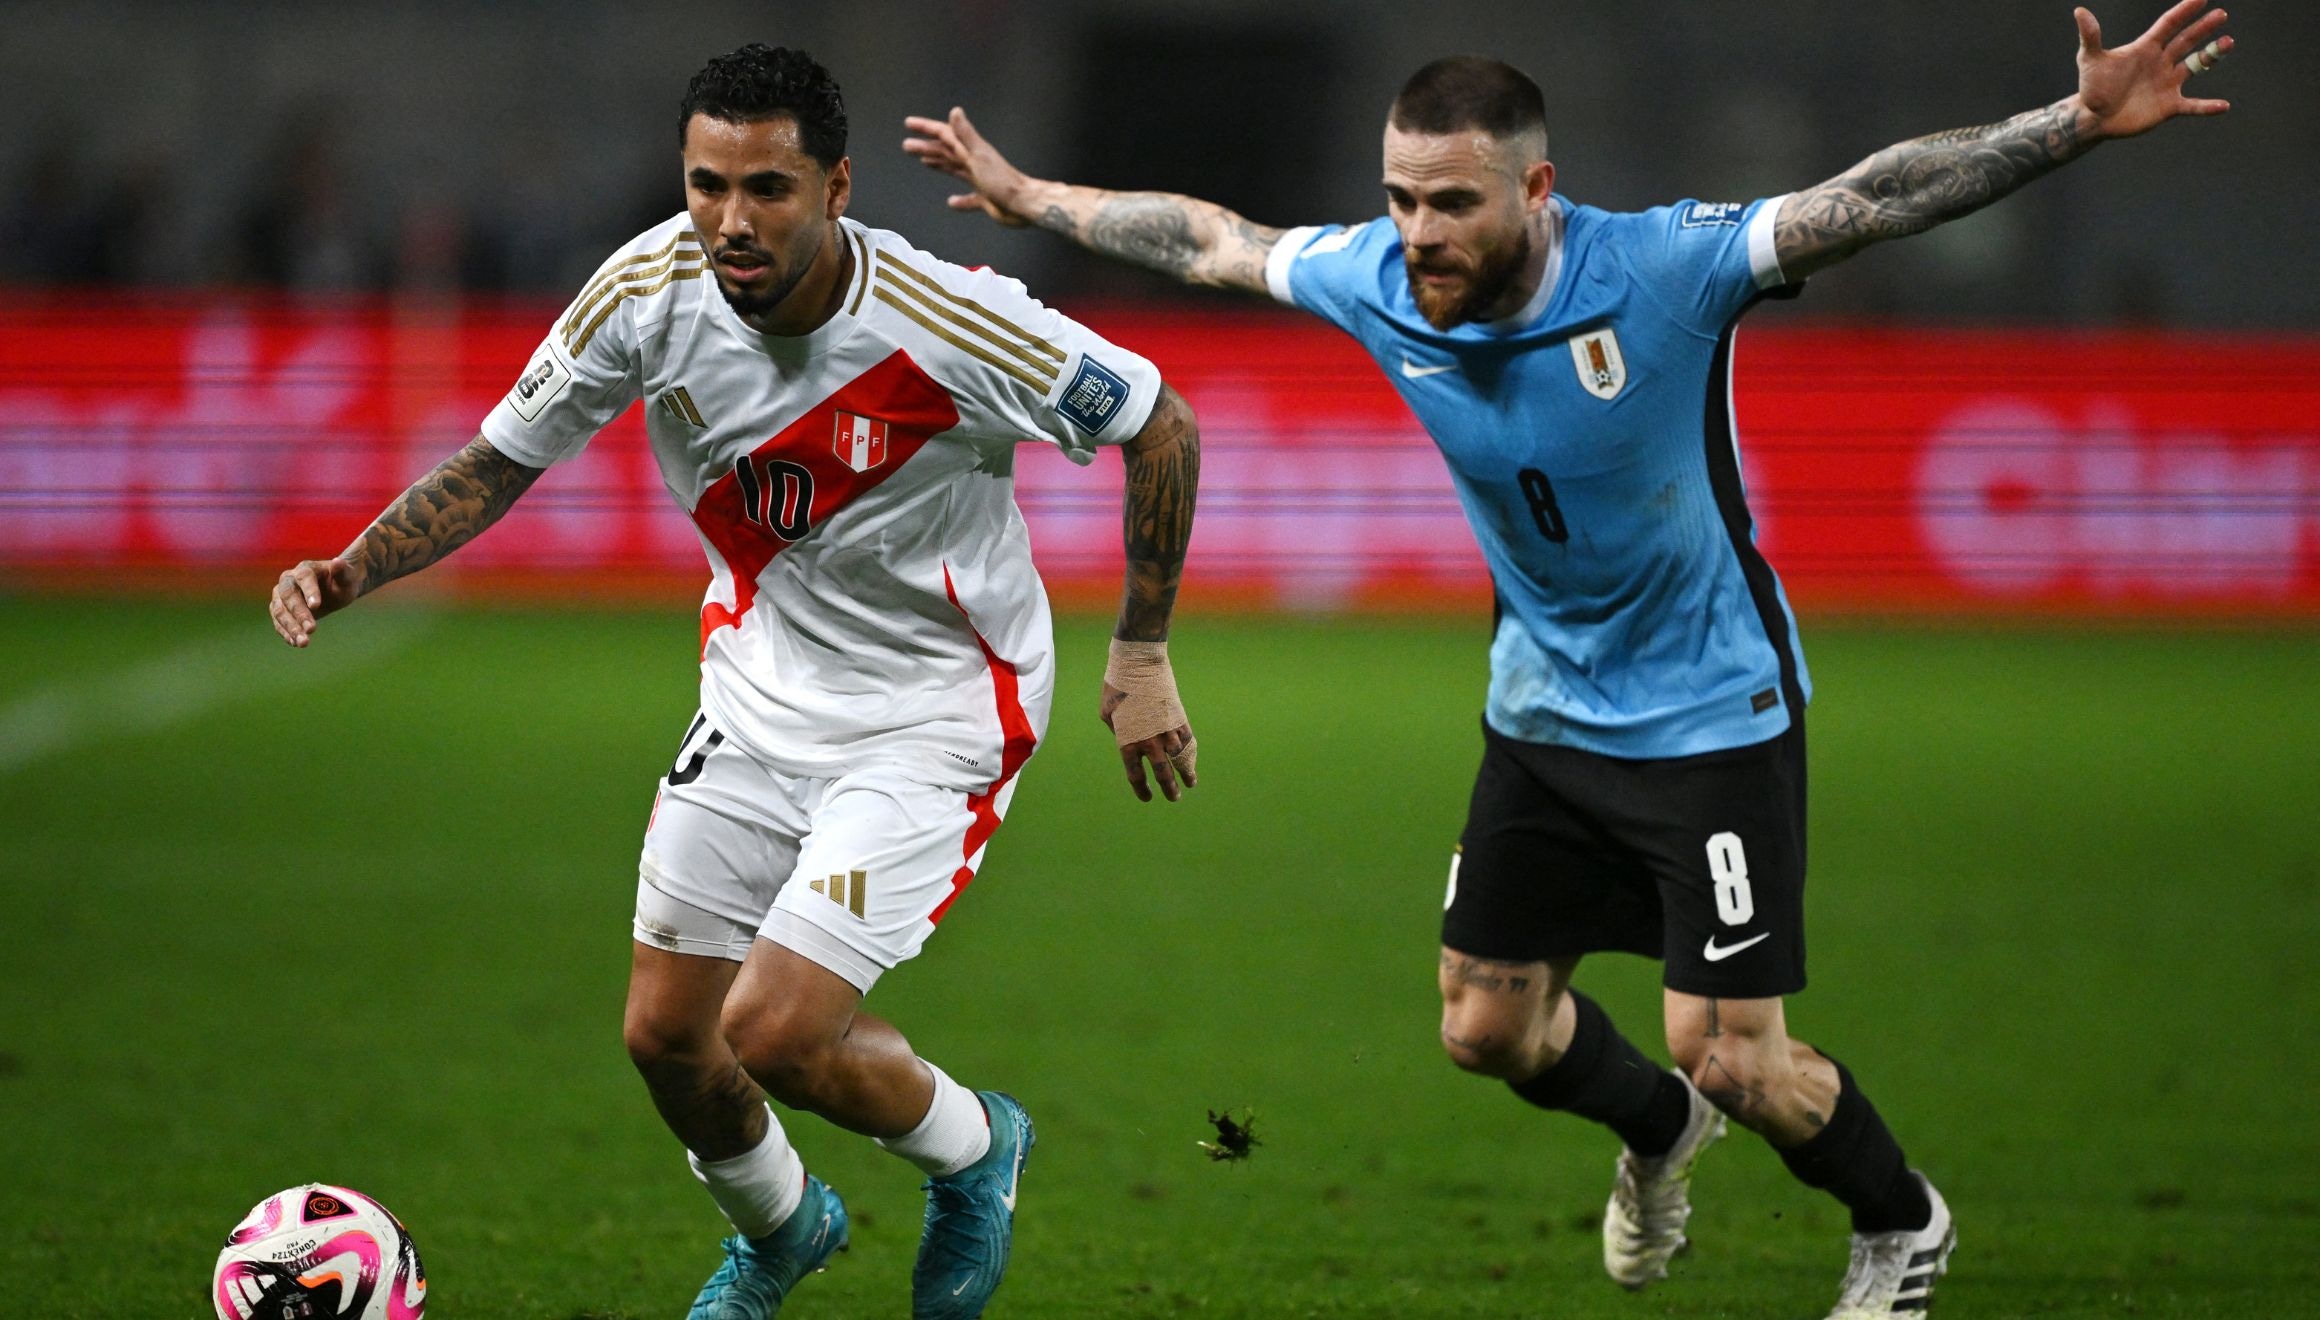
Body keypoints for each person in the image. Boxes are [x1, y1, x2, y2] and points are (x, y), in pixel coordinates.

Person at [903, 4, 2232, 1316]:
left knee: (1735, 1060)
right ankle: (1656, 1132)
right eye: (1401, 198)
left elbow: (1869, 199)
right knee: (1486, 1029)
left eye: (1453, 205)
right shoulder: (1379, 276)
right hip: (1541, 712)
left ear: (1538, 189)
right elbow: (1210, 240)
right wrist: (1031, 196)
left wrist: (2073, 123)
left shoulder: (1662, 269)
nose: (1419, 232)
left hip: (1716, 715)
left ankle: (1900, 1222)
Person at [270, 44, 1202, 1320]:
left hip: (934, 713)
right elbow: (500, 459)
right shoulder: (646, 289)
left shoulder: (950, 320)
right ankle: (781, 1229)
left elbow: (1160, 421)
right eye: (707, 184)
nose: (730, 220)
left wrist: (1141, 654)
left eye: (768, 188)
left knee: (776, 1030)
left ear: (837, 186)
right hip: (756, 696)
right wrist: (349, 568)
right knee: (664, 1036)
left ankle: (976, 1148)